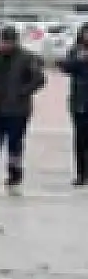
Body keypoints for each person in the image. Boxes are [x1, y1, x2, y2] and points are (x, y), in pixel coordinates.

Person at [0, 24, 48, 193]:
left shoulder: (27, 58)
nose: (5, 45)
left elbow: (39, 79)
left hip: (18, 110)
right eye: (3, 41)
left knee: (14, 143)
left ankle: (15, 174)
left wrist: (22, 92)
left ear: (15, 42)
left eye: (8, 42)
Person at [58, 23, 88, 188]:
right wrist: (79, 60)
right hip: (80, 102)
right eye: (85, 33)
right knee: (80, 139)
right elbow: (64, 66)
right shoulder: (76, 50)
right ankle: (81, 173)